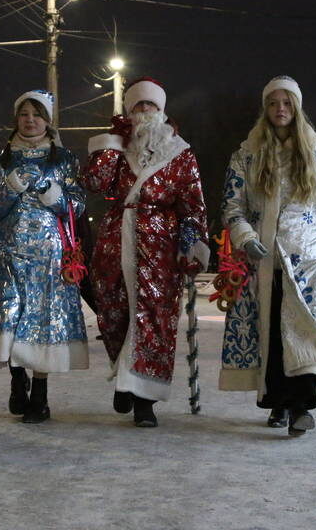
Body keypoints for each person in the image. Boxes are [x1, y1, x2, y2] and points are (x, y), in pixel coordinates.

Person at [219, 75, 316, 437]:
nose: (281, 109)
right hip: (265, 258)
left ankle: (302, 407)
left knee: (305, 329)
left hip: (309, 260)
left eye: (287, 103)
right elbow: (232, 206)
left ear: (297, 108)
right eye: (275, 103)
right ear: (266, 108)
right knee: (274, 332)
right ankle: (278, 401)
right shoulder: (246, 154)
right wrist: (245, 237)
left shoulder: (314, 151)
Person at [83, 77, 209, 428]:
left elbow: (193, 205)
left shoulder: (180, 152)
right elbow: (94, 183)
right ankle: (124, 376)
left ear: (161, 111)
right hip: (114, 242)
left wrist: (191, 245)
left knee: (154, 320)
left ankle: (144, 401)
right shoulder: (117, 150)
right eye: (138, 106)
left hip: (159, 250)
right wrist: (109, 144)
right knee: (114, 314)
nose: (144, 112)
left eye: (150, 106)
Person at [0, 90, 89, 423]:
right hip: (9, 250)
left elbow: (78, 205)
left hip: (49, 254)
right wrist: (10, 188)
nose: (30, 120)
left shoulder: (64, 159)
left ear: (48, 120)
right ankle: (17, 381)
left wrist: (55, 196)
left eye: (37, 114)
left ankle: (40, 396)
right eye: (24, 114)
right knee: (10, 316)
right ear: (16, 118)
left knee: (44, 321)